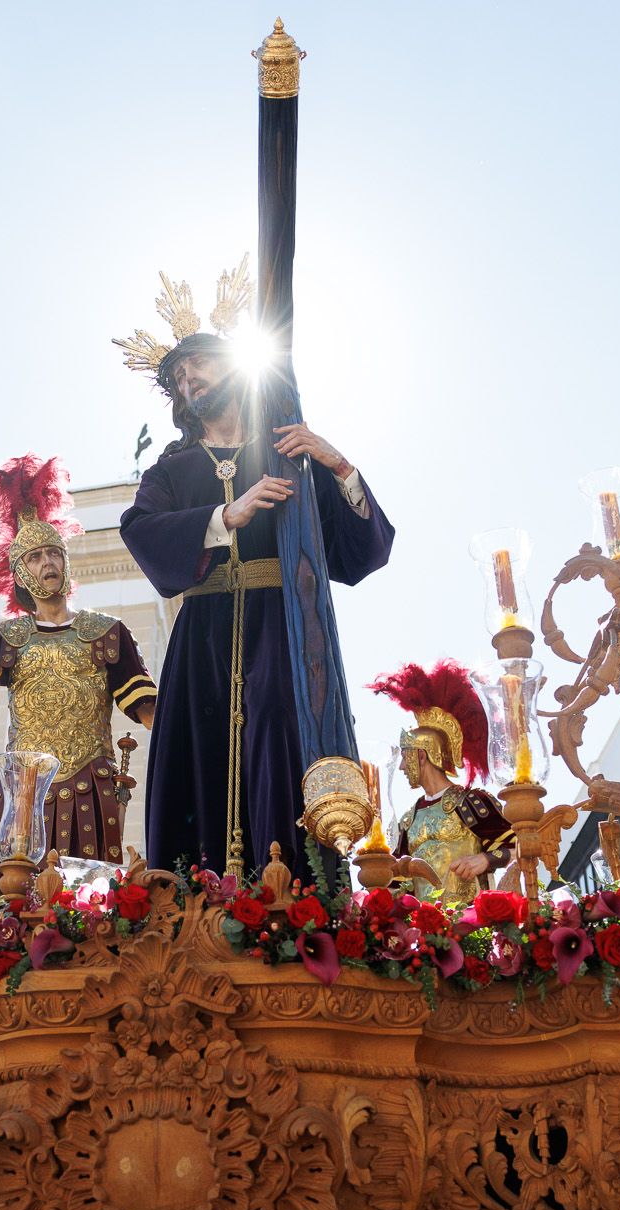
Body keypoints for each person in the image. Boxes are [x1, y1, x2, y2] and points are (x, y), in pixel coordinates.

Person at [120, 334, 392, 875]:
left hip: (283, 631)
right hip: (202, 643)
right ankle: (197, 895)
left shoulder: (290, 455)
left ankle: (292, 890)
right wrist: (224, 517)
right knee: (199, 753)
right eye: (179, 378)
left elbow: (360, 555)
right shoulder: (171, 471)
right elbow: (140, 530)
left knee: (278, 734)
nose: (189, 380)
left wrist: (338, 467)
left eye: (199, 365)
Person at [0, 455, 156, 877]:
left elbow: (147, 709)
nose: (48, 563)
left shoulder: (106, 632)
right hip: (24, 788)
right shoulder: (12, 637)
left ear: (66, 561)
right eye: (35, 557)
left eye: (54, 553)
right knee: (12, 896)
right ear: (21, 573)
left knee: (88, 896)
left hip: (89, 785)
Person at [368, 659, 516, 904]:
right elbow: (394, 884)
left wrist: (485, 859)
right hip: (425, 925)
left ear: (422, 755)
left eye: (405, 757)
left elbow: (521, 846)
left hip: (472, 921)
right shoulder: (409, 820)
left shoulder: (470, 802)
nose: (402, 767)